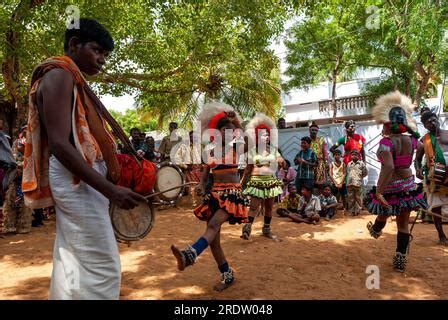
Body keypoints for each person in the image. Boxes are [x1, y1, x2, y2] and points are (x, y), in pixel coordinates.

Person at [22, 18, 146, 299]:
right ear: (75, 45)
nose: (102, 60)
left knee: (74, 259)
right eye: (97, 50)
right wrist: (110, 190)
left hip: (80, 181)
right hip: (76, 181)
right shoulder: (60, 75)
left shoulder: (69, 78)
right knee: (103, 265)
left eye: (105, 54)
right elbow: (60, 145)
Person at [171, 102, 248, 291]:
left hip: (232, 195)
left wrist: (236, 121)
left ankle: (189, 255)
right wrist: (199, 186)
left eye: (232, 131)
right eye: (226, 131)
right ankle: (227, 275)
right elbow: (204, 178)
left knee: (213, 225)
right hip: (215, 196)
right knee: (214, 242)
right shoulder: (210, 152)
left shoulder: (237, 148)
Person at [366, 91, 427, 272]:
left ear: (387, 125)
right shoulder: (412, 140)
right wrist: (416, 165)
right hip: (408, 184)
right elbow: (422, 146)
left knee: (385, 208)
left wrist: (379, 191)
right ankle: (400, 262)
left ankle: (376, 229)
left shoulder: (386, 143)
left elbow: (389, 168)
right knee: (403, 224)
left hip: (392, 185)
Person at [240, 113, 284, 240]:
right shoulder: (252, 151)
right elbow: (248, 169)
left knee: (269, 207)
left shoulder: (274, 150)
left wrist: (282, 162)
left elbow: (281, 160)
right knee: (254, 207)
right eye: (264, 135)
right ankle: (247, 230)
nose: (267, 137)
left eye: (267, 135)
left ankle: (266, 229)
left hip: (270, 181)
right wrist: (241, 182)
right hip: (256, 182)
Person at [415, 111, 448, 245]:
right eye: (429, 122)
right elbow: (416, 160)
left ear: (437, 119)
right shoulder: (424, 141)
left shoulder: (447, 133)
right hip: (435, 177)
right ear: (425, 125)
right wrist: (417, 169)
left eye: (434, 120)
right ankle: (441, 236)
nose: (433, 123)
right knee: (436, 206)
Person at [346, 150, 368, 216]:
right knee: (351, 198)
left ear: (358, 156)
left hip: (358, 183)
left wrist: (360, 178)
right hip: (350, 183)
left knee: (358, 197)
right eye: (352, 155)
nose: (354, 156)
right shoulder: (349, 164)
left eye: (355, 155)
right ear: (351, 156)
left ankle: (358, 210)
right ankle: (352, 211)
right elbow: (348, 172)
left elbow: (365, 172)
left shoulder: (361, 164)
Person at [309, 122, 329, 190]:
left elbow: (324, 151)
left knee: (320, 182)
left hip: (320, 163)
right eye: (312, 130)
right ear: (309, 130)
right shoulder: (307, 140)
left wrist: (326, 161)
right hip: (309, 163)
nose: (314, 131)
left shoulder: (321, 139)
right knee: (309, 182)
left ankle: (320, 197)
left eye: (316, 130)